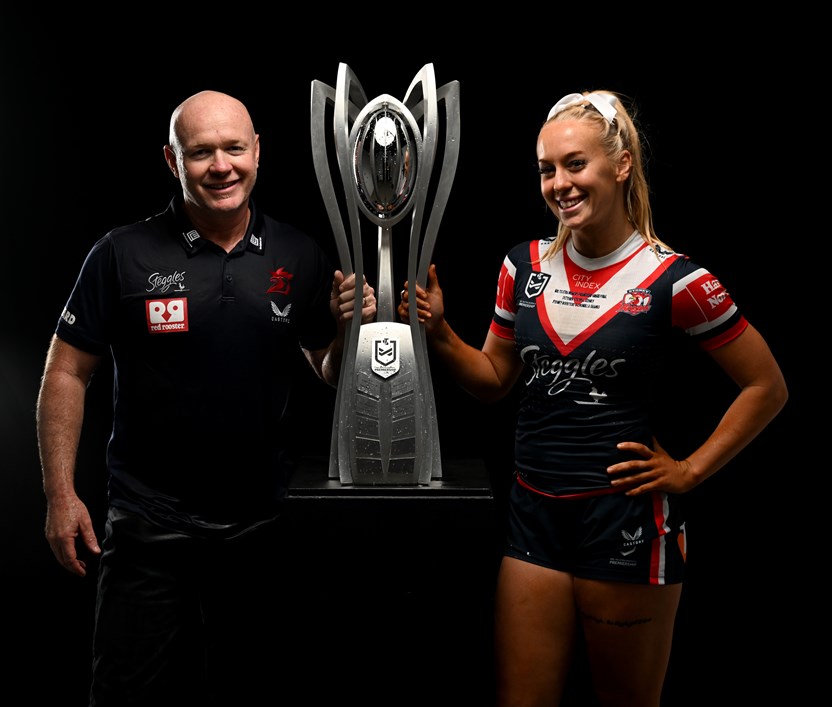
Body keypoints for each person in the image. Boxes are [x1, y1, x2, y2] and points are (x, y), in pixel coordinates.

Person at [398, 90, 788, 706]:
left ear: (622, 163)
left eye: (574, 164)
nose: (559, 183)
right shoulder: (522, 266)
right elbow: (495, 381)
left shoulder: (675, 279)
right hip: (535, 514)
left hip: (625, 522)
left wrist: (687, 470)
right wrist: (441, 334)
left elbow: (766, 386)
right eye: (547, 169)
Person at [36, 89, 376, 707]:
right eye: (201, 152)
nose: (221, 165)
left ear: (257, 152)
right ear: (173, 161)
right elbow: (65, 372)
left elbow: (328, 371)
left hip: (260, 525)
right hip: (147, 524)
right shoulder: (121, 253)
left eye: (233, 148)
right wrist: (61, 494)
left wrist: (348, 328)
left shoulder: (298, 254)